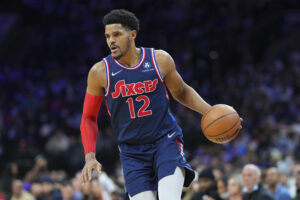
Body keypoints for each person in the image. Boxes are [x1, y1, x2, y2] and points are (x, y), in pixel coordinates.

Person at [79, 9, 242, 200]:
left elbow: (181, 91)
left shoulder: (159, 60)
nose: (111, 41)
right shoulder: (99, 72)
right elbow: (89, 117)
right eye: (107, 36)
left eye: (116, 34)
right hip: (131, 152)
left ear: (132, 35)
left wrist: (212, 112)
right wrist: (89, 155)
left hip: (165, 141)